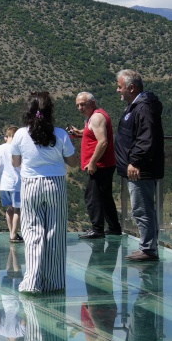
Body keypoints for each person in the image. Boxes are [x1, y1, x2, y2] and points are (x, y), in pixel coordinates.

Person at [9, 92, 76, 293]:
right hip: (55, 183)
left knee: (32, 231)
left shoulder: (20, 134)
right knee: (55, 233)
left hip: (30, 184)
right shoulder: (60, 134)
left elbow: (15, 162)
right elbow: (72, 161)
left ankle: (32, 281)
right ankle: (54, 282)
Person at [114, 69, 164, 263]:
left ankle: (148, 249)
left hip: (140, 169)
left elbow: (146, 138)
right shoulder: (136, 106)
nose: (118, 91)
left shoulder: (142, 108)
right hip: (137, 167)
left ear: (131, 87)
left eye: (120, 87)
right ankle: (147, 246)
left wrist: (135, 161)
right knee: (141, 208)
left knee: (142, 208)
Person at [69, 91, 119, 240]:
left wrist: (92, 162)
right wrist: (80, 133)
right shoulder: (94, 117)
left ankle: (97, 229)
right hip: (104, 164)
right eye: (78, 105)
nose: (80, 108)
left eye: (83, 104)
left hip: (100, 165)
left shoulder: (96, 117)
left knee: (93, 197)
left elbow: (102, 141)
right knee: (104, 197)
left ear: (92, 102)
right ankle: (114, 227)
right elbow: (93, 132)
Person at [0, 125, 23, 242]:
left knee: (9, 209)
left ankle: (11, 232)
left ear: (5, 137)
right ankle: (14, 234)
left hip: (3, 184)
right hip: (17, 183)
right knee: (17, 209)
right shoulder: (19, 148)